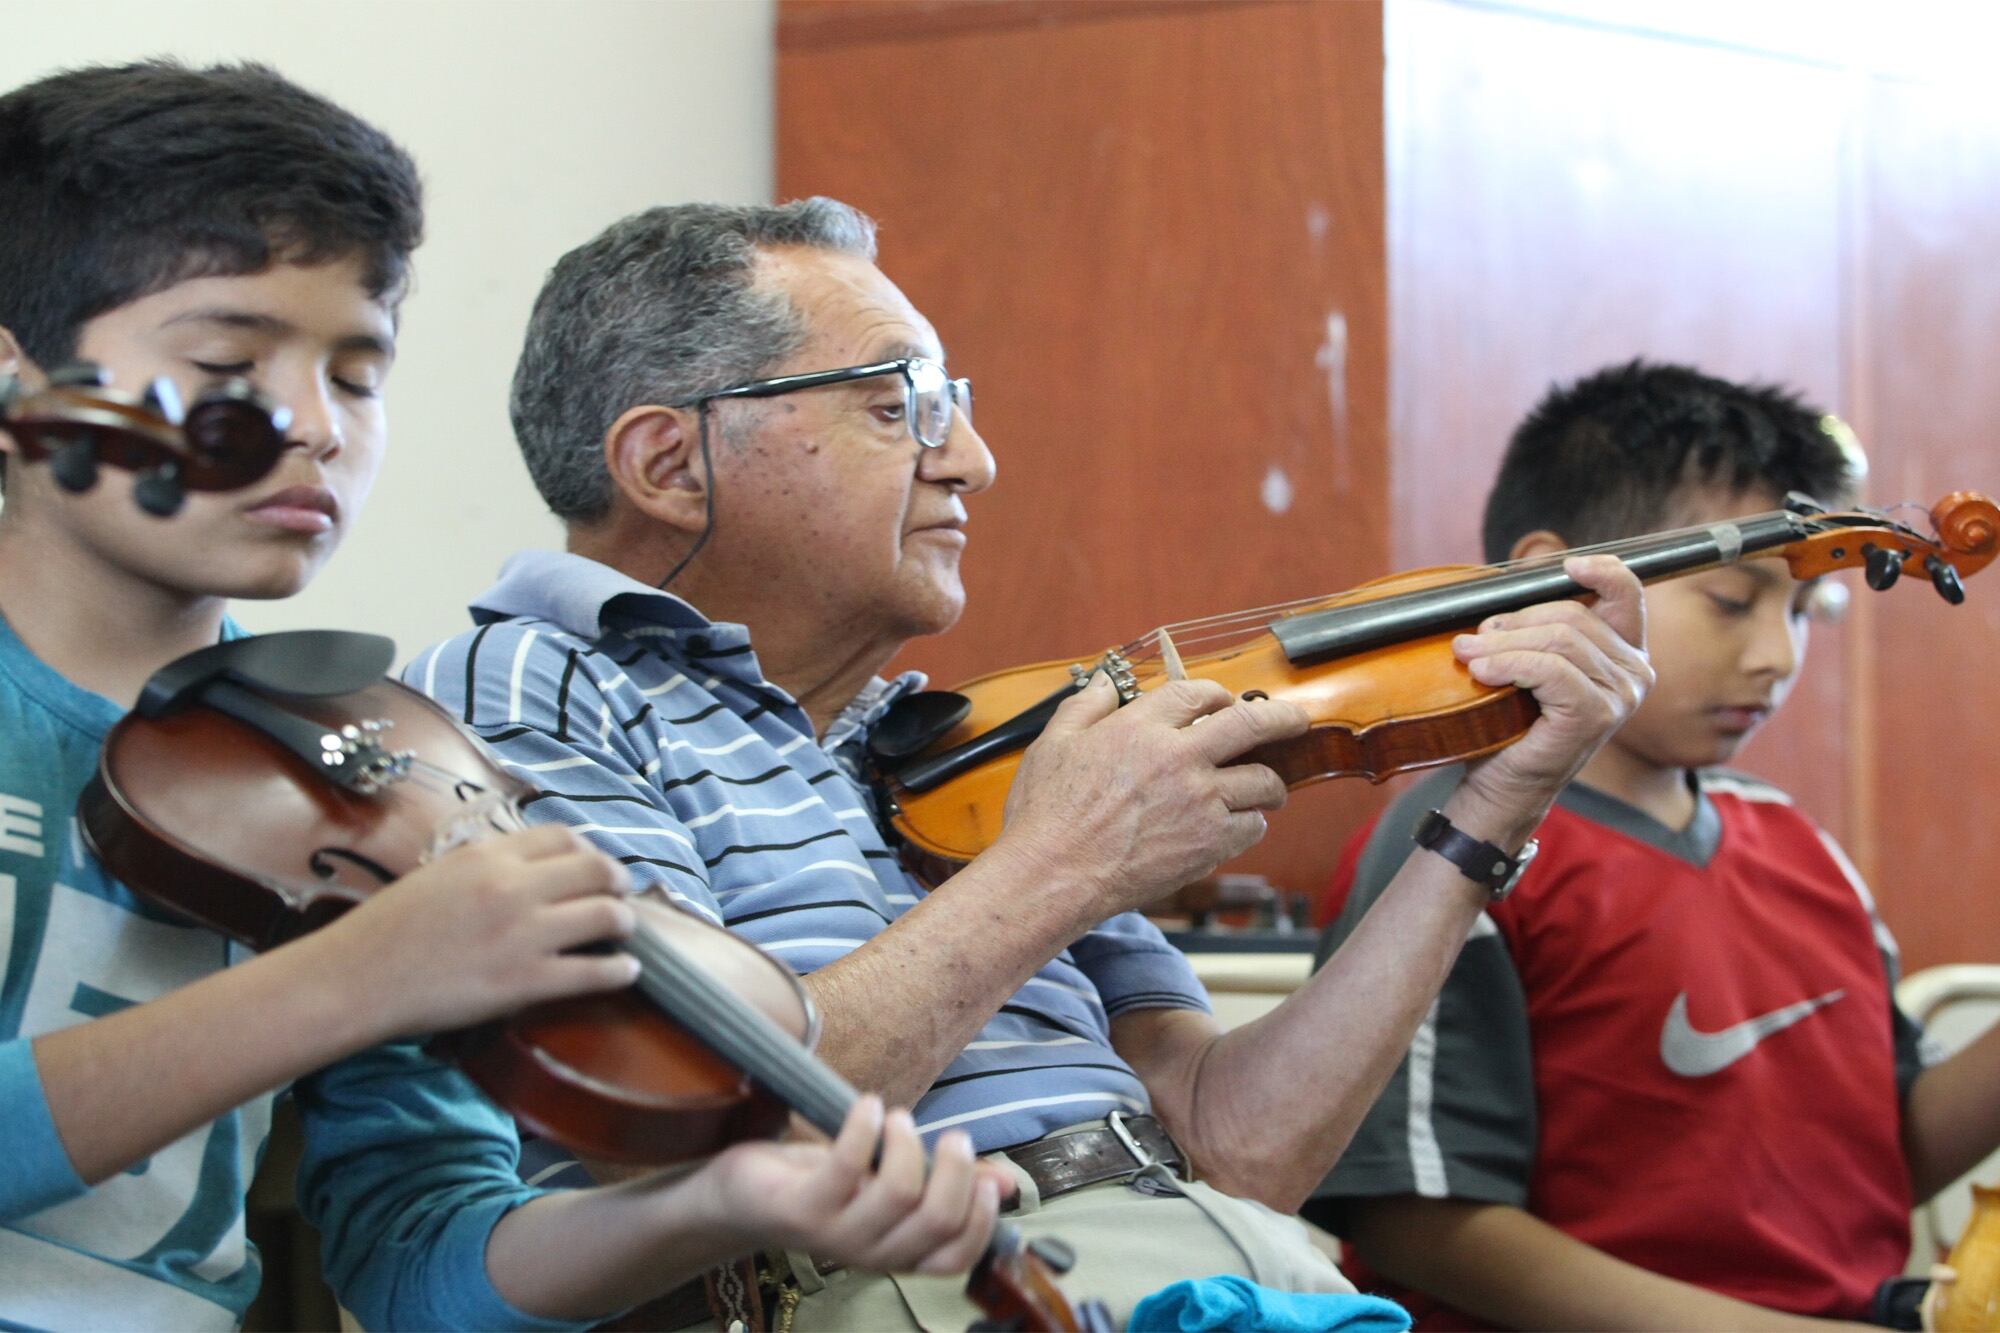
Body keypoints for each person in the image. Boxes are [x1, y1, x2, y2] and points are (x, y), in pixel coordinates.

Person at [407, 197, 1653, 1327]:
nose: (971, 459)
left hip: (1223, 1268)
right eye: (898, 404)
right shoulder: (524, 683)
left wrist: (1486, 815)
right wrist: (1061, 863)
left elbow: (1236, 1146)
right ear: (669, 464)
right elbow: (685, 1118)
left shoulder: (955, 736)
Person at [0, 61, 1004, 1331]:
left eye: (356, 375)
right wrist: (346, 981)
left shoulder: (362, 769)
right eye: (227, 360)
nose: (314, 425)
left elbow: (421, 1267)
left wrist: (715, 1202)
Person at [1302, 360, 2000, 1330]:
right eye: (1731, 602)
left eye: (1802, 612)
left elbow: (1877, 1158)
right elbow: (1413, 1222)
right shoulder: (1453, 846)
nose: (1777, 655)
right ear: (1558, 581)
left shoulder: (1800, 846)